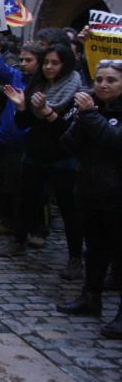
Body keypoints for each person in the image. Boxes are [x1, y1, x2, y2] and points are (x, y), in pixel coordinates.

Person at [0, 44, 83, 279]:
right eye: (46, 62)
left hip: (63, 158)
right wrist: (22, 107)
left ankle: (75, 257)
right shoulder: (37, 84)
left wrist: (46, 111)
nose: (48, 67)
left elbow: (68, 132)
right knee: (26, 201)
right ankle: (19, 240)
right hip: (35, 153)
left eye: (54, 63)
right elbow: (25, 124)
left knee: (69, 209)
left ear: (65, 64)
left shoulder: (76, 91)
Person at [55, 59, 122, 338]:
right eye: (99, 80)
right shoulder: (91, 109)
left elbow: (114, 142)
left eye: (111, 80)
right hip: (91, 190)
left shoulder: (98, 112)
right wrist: (83, 117)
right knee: (94, 250)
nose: (103, 85)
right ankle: (90, 297)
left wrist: (90, 115)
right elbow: (68, 143)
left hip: (118, 194)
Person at [0, 28, 39, 237]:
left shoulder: (42, 83)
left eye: (28, 60)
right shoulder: (15, 76)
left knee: (24, 188)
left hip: (27, 142)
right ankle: (6, 220)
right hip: (5, 137)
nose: (23, 63)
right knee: (3, 184)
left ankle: (35, 228)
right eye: (22, 59)